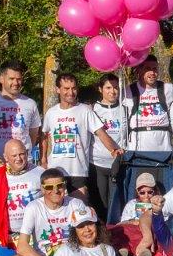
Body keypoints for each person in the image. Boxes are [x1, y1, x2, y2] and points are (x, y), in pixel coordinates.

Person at [41, 73, 124, 201]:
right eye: (66, 88)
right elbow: (44, 135)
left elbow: (100, 132)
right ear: (58, 89)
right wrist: (43, 160)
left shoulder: (85, 110)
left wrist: (113, 150)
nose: (71, 92)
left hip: (78, 171)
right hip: (55, 170)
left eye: (74, 88)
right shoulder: (51, 112)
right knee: (55, 209)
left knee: (80, 213)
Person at [2, 167, 90, 256]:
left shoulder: (76, 204)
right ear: (42, 189)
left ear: (65, 186)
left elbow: (88, 236)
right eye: (49, 187)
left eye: (59, 185)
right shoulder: (33, 207)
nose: (55, 190)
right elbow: (22, 247)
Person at [0, 60, 42, 163]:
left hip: (21, 163)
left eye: (19, 79)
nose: (16, 83)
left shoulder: (30, 104)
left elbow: (33, 135)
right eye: (11, 79)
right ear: (1, 79)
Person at [122, 55, 173, 151]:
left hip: (163, 150)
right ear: (139, 70)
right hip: (136, 150)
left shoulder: (168, 88)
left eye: (155, 69)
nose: (152, 73)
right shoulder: (128, 91)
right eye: (148, 69)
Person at [89, 74, 128, 220]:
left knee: (117, 204)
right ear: (101, 89)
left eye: (116, 87)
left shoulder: (125, 109)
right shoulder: (92, 109)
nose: (113, 91)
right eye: (108, 88)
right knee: (101, 206)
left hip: (119, 163)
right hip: (98, 164)